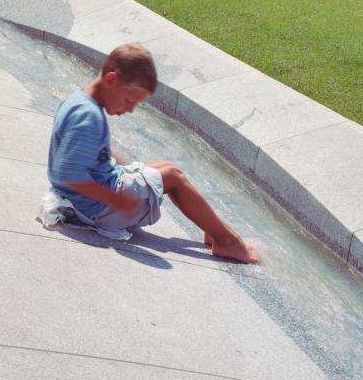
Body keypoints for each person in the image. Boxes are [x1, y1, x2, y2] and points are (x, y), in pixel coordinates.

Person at [41, 44, 259, 263]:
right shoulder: (89, 117)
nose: (130, 109)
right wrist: (118, 200)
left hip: (83, 200)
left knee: (163, 167)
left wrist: (125, 168)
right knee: (174, 177)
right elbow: (68, 173)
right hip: (98, 209)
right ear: (110, 80)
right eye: (129, 100)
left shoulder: (77, 102)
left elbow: (85, 153)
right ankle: (228, 243)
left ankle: (213, 228)